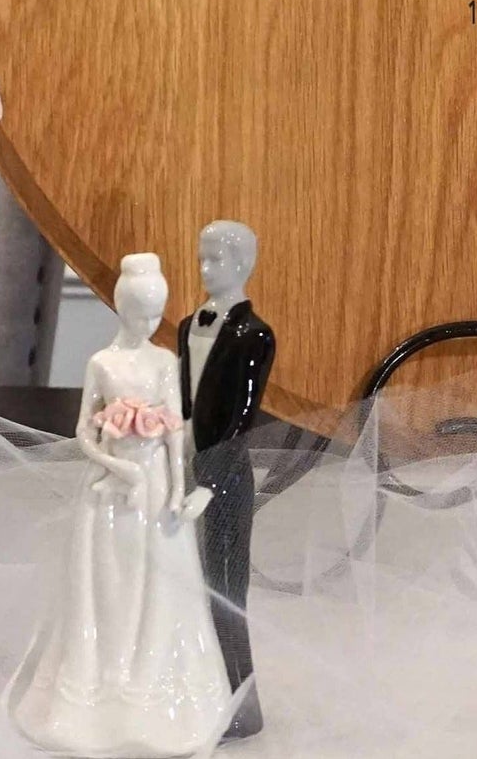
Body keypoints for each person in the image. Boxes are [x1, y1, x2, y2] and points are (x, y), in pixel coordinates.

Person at [6, 253, 230, 757]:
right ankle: (99, 683)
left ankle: (151, 683)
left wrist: (177, 486)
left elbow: (174, 431)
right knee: (108, 579)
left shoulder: (165, 362)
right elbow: (84, 430)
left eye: (156, 315)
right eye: (141, 314)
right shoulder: (101, 364)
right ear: (123, 309)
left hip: (155, 487)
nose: (149, 324)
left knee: (157, 580)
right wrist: (117, 465)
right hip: (109, 485)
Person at [178, 220, 276, 740]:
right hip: (182, 466)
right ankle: (193, 695)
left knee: (224, 593)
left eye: (215, 259)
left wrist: (209, 481)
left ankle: (242, 704)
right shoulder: (187, 325)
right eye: (202, 257)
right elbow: (183, 401)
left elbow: (241, 418)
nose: (205, 269)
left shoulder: (254, 335)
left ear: (243, 264)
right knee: (184, 588)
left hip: (224, 477)